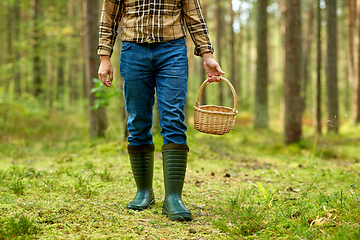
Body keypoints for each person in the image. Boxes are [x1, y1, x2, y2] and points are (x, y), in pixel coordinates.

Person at [97, 0, 224, 221]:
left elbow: (194, 15)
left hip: (172, 51)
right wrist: (104, 56)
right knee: (137, 121)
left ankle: (173, 198)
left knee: (173, 118)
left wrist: (206, 54)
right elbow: (109, 16)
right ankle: (143, 192)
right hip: (132, 50)